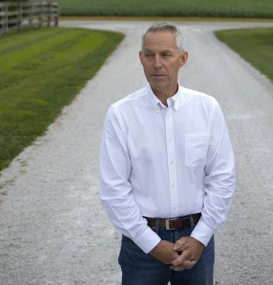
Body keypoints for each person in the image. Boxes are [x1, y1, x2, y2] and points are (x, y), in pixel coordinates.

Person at [99, 22, 236, 285]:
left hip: (197, 240)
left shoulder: (207, 108)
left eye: (166, 55)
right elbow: (114, 188)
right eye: (149, 55)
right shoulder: (121, 114)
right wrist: (152, 244)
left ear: (182, 59)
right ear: (141, 59)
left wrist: (200, 237)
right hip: (142, 245)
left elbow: (222, 177)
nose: (157, 64)